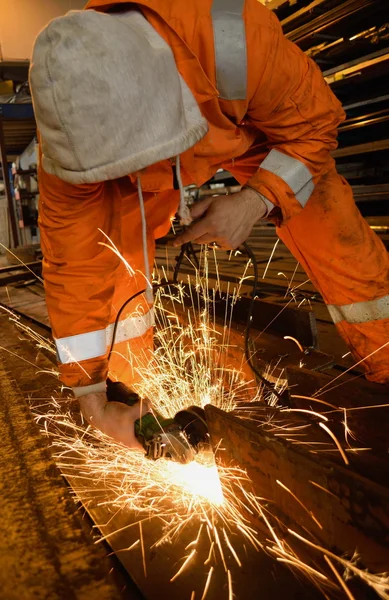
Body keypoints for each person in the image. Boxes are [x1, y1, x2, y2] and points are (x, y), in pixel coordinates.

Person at [30, 0, 389, 448]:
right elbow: (76, 264)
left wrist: (254, 201)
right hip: (164, 128)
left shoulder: (238, 42)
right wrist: (91, 398)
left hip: (246, 125)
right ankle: (141, 406)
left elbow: (315, 127)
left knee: (327, 214)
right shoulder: (70, 142)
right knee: (113, 254)